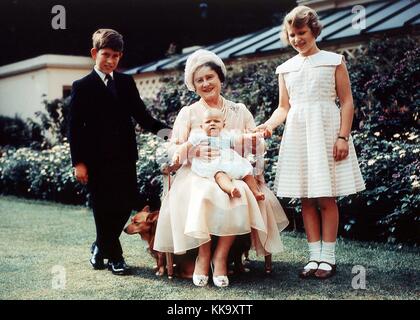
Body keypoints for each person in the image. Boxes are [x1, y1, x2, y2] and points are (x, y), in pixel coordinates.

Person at [154, 49, 289, 287]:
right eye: (199, 80)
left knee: (239, 193)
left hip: (232, 169)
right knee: (206, 193)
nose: (206, 84)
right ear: (194, 86)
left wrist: (252, 149)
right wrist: (192, 151)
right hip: (196, 172)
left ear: (220, 78)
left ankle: (221, 256)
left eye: (210, 77)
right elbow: (172, 148)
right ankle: (203, 257)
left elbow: (255, 142)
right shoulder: (189, 113)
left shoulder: (239, 109)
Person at [255, 6, 365, 279]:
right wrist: (268, 125)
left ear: (313, 30)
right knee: (305, 198)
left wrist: (343, 136)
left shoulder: (333, 61)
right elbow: (283, 107)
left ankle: (328, 257)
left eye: (301, 32)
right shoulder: (286, 68)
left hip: (327, 133)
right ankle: (314, 256)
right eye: (291, 34)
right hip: (298, 135)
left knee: (326, 197)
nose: (296, 39)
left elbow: (347, 101)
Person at [68, 29, 169, 275]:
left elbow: (142, 116)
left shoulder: (125, 82)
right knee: (103, 208)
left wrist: (169, 133)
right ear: (94, 53)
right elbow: (74, 128)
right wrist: (79, 162)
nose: (111, 60)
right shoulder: (81, 86)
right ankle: (116, 257)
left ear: (120, 57)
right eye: (106, 54)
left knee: (124, 205)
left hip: (125, 158)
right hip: (95, 161)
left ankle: (99, 246)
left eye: (116, 55)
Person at [172, 108, 265, 201]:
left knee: (246, 172)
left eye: (216, 121)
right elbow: (185, 146)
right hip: (212, 164)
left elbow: (238, 139)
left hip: (229, 161)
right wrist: (177, 154)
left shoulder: (225, 136)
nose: (212, 123)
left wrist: (249, 137)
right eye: (208, 122)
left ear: (223, 125)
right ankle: (231, 189)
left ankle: (255, 191)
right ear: (202, 126)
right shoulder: (198, 137)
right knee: (220, 176)